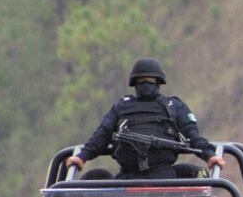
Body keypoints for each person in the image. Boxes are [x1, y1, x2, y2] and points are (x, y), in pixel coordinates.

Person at [66, 58, 224, 179]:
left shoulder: (173, 106)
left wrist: (210, 156)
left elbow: (193, 135)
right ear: (134, 83)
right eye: (141, 81)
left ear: (159, 83)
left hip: (164, 177)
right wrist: (81, 157)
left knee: (198, 175)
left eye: (151, 80)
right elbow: (102, 135)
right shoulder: (122, 107)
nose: (146, 84)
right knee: (95, 177)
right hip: (127, 178)